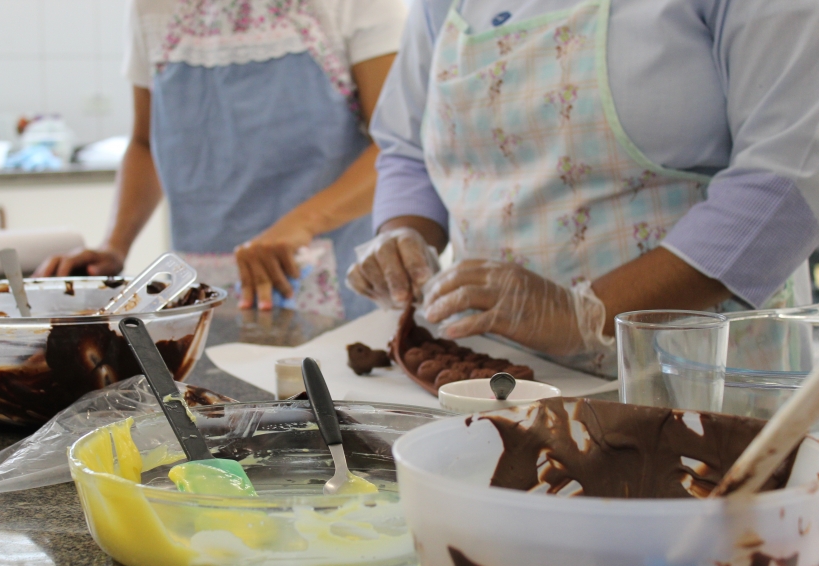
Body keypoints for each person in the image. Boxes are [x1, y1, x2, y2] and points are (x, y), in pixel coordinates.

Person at [348, 0, 819, 374]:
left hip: (700, 378)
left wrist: (588, 316)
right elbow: (407, 149)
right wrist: (403, 235)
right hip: (491, 373)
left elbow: (789, 173)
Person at [35, 0, 408, 320]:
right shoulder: (153, 9)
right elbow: (146, 144)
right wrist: (114, 246)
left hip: (334, 291)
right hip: (200, 293)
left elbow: (396, 145)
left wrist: (302, 223)